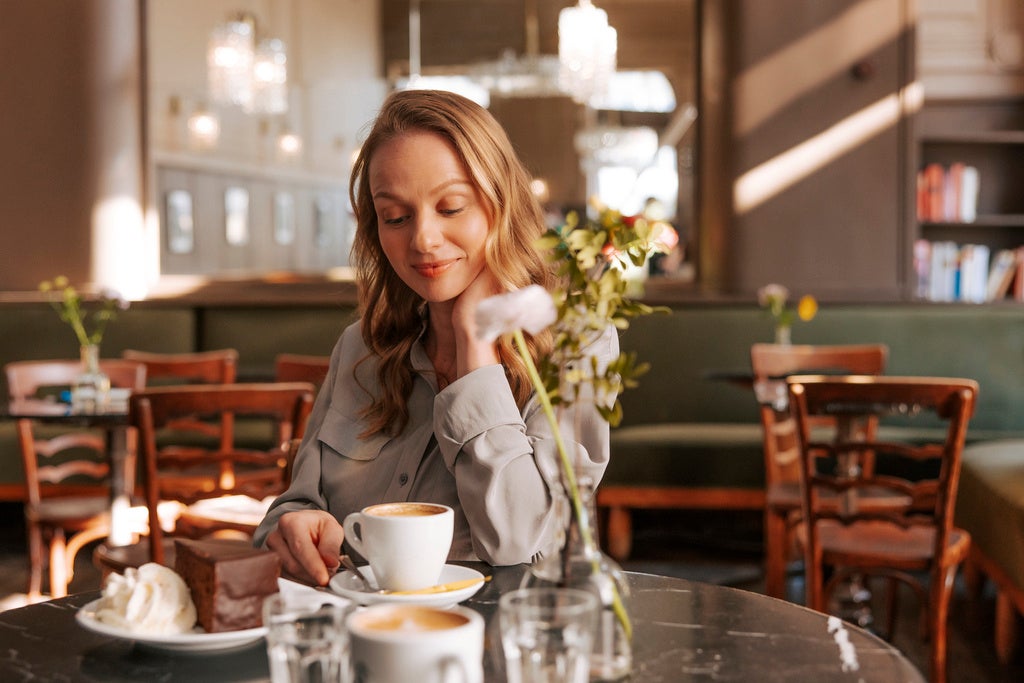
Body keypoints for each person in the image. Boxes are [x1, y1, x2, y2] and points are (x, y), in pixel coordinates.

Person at [254, 89, 617, 586]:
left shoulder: (578, 345)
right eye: (395, 217)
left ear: (502, 206)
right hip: (357, 622)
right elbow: (292, 509)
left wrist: (474, 342)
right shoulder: (361, 348)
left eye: (451, 208)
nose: (423, 239)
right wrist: (292, 529)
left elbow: (519, 540)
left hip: (501, 627)